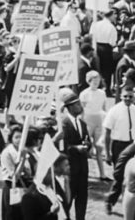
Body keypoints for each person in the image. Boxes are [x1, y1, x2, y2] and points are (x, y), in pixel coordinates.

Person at [59, 89, 91, 220]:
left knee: (82, 200)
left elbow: (87, 140)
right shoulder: (63, 124)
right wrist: (76, 148)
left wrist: (88, 145)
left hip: (83, 168)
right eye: (77, 104)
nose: (80, 106)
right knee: (68, 199)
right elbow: (62, 147)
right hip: (70, 169)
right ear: (70, 107)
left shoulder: (82, 123)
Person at [103, 86, 135, 173]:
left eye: (130, 96)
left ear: (134, 97)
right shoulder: (114, 110)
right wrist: (107, 153)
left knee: (133, 171)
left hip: (133, 145)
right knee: (119, 172)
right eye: (125, 96)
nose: (128, 99)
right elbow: (107, 132)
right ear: (121, 96)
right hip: (119, 145)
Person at [78, 70, 108, 181]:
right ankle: (85, 174)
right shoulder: (84, 94)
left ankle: (102, 174)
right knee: (85, 148)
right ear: (89, 81)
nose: (96, 83)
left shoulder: (102, 93)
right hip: (87, 121)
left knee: (99, 148)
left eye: (98, 81)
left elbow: (104, 108)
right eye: (94, 81)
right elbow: (81, 110)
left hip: (99, 121)